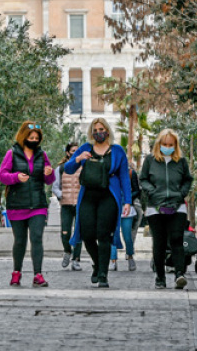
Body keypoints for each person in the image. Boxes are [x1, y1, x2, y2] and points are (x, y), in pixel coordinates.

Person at [64, 118, 131, 288]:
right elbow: (68, 169)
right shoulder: (85, 148)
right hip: (88, 195)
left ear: (107, 131)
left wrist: (127, 201)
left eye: (101, 129)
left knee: (103, 234)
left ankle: (103, 274)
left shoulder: (117, 151)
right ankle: (98, 264)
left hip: (109, 195)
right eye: (95, 130)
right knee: (87, 234)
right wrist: (78, 158)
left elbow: (124, 177)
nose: (98, 132)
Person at [0, 121, 55, 287]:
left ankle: (38, 274)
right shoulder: (12, 154)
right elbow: (3, 175)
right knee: (20, 241)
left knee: (37, 238)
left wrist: (49, 172)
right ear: (24, 136)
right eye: (31, 137)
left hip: (37, 204)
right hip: (17, 204)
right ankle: (17, 272)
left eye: (37, 137)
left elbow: (49, 180)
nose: (34, 140)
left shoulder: (42, 155)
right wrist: (16, 177)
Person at [139, 129, 194, 290]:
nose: (167, 147)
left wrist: (181, 193)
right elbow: (143, 179)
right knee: (160, 242)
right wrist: (153, 191)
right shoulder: (150, 160)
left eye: (171, 144)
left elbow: (187, 180)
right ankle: (160, 277)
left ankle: (179, 274)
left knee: (177, 239)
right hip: (155, 207)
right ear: (159, 144)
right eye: (164, 144)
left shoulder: (181, 162)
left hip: (177, 206)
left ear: (175, 145)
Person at [52, 142, 83, 271]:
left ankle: (76, 260)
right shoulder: (60, 168)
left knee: (79, 233)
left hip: (80, 205)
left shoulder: (83, 167)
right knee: (65, 233)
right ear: (67, 152)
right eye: (73, 150)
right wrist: (61, 195)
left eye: (77, 150)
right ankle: (67, 251)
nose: (75, 152)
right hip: (65, 205)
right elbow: (55, 186)